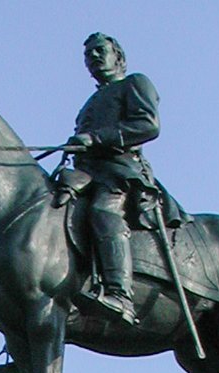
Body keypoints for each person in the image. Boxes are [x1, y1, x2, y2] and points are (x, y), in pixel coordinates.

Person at [65, 33, 163, 325]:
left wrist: (95, 138)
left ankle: (120, 295)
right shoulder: (89, 104)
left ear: (118, 56)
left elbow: (148, 124)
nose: (93, 57)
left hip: (121, 171)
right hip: (87, 173)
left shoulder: (135, 83)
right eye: (88, 55)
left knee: (103, 212)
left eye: (99, 51)